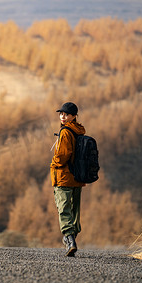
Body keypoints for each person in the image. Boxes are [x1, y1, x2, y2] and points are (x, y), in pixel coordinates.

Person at [50, 102, 86, 257]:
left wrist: (53, 163)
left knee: (63, 210)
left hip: (64, 177)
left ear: (74, 116)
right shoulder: (79, 131)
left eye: (66, 114)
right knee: (75, 211)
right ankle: (71, 239)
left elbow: (63, 155)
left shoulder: (65, 132)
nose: (62, 116)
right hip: (77, 178)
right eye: (61, 114)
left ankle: (69, 240)